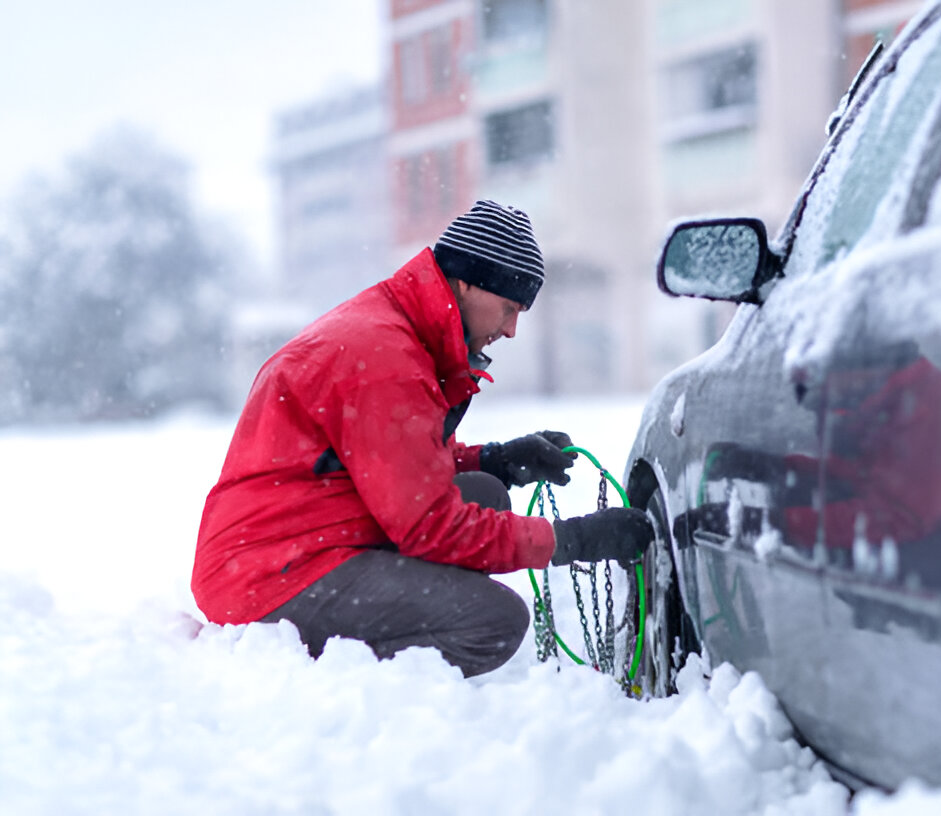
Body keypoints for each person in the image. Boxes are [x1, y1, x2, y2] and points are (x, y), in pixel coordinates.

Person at [192, 200, 652, 676]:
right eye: (509, 307)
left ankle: (372, 626)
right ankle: (323, 680)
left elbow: (388, 459)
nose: (512, 330)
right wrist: (569, 541)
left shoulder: (393, 326)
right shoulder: (385, 358)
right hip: (267, 575)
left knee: (485, 494)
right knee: (493, 623)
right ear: (469, 281)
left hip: (295, 534)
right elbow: (430, 526)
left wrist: (494, 461)